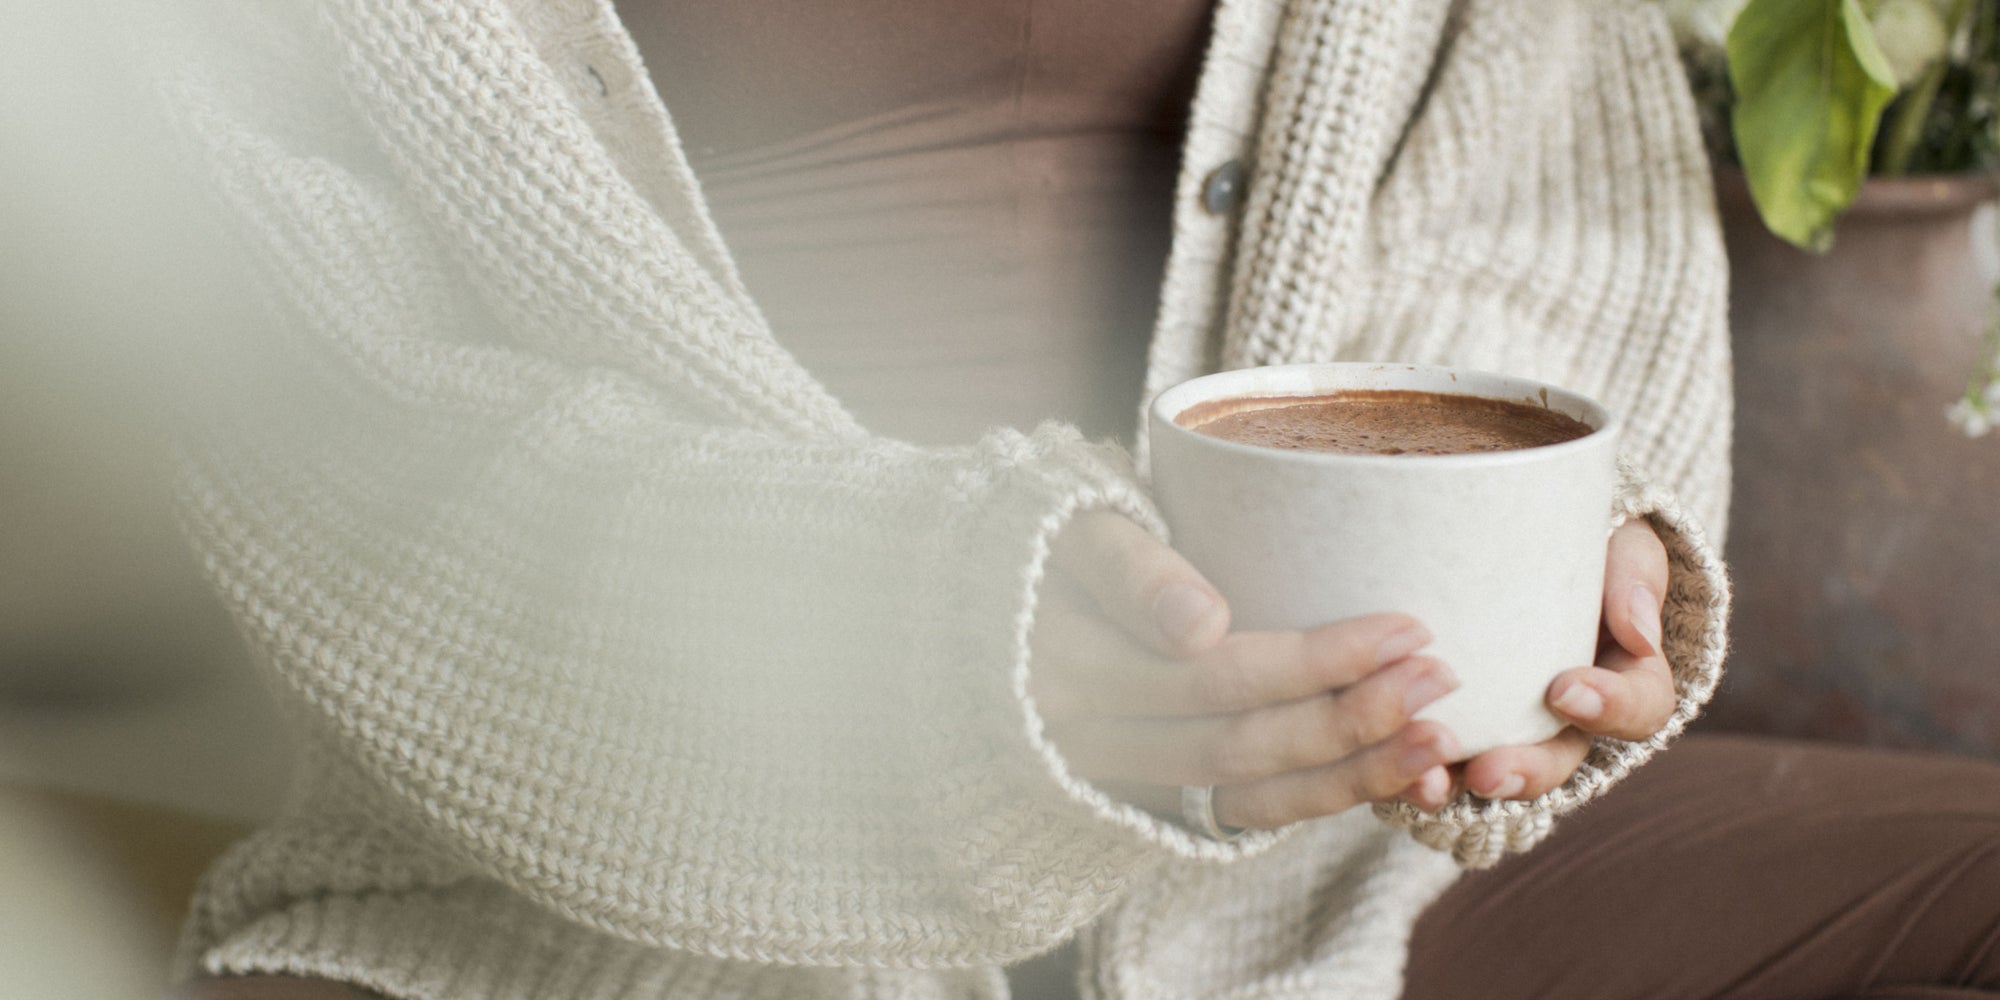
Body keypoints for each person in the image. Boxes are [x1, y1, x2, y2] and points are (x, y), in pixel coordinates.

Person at [147, 1, 1999, 998]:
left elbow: (1531, 243)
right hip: (603, 909)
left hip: (1329, 883)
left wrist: (1555, 588)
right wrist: (945, 656)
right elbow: (350, 442)